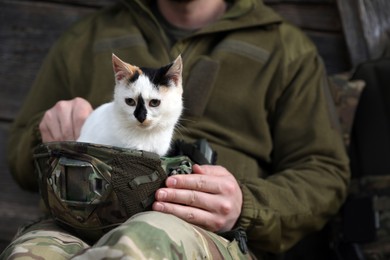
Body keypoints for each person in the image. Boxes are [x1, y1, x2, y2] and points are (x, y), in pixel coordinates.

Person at [2, 0, 350, 259]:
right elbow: (20, 157)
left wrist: (246, 205)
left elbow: (325, 173)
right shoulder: (86, 37)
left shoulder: (284, 49)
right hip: (74, 223)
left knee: (142, 245)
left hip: (204, 234)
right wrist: (44, 133)